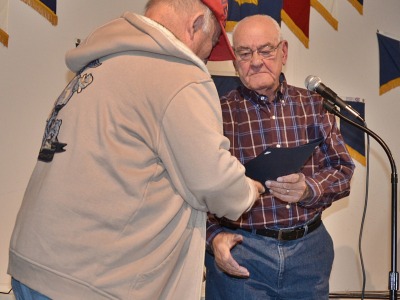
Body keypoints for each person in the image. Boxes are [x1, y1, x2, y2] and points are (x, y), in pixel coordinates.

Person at [8, 1, 266, 299]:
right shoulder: (179, 75)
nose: (206, 57)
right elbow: (214, 182)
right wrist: (248, 190)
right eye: (212, 43)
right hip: (92, 281)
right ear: (196, 24)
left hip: (37, 264)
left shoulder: (101, 62)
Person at [205, 14, 355, 300]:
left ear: (283, 52)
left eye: (266, 50)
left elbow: (343, 169)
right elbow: (194, 191)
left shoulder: (313, 104)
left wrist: (308, 188)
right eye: (245, 53)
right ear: (235, 61)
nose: (257, 61)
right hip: (243, 253)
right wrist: (213, 238)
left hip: (309, 252)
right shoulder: (216, 113)